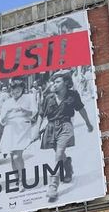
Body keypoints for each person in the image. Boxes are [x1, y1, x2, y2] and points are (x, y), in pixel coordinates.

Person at [37, 70, 94, 203]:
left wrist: (88, 123)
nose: (54, 85)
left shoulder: (73, 95)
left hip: (66, 126)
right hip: (51, 127)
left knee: (58, 154)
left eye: (57, 82)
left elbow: (81, 109)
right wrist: (38, 129)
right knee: (60, 154)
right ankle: (67, 166)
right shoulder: (48, 98)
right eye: (53, 82)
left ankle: (53, 186)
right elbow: (41, 114)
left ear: (66, 83)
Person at [0, 78, 37, 184]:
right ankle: (17, 178)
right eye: (13, 91)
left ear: (22, 90)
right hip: (10, 129)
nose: (15, 93)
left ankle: (21, 180)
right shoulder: (7, 102)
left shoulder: (29, 98)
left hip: (22, 128)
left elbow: (34, 112)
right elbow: (2, 121)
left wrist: (23, 110)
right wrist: (6, 114)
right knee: (12, 156)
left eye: (18, 91)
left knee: (17, 156)